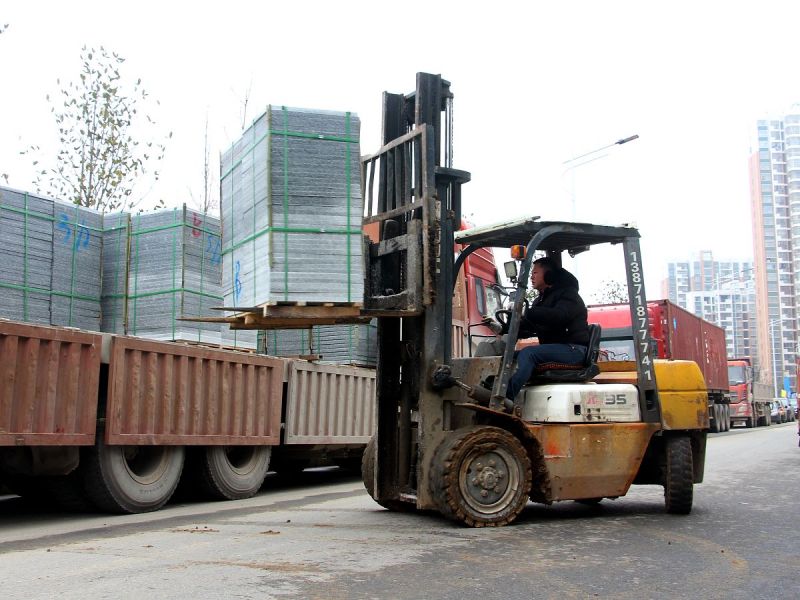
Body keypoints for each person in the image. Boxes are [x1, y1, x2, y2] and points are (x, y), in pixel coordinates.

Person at [485, 256, 590, 401]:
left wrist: (525, 311)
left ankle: (506, 396)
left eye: (534, 273)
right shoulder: (541, 300)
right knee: (508, 356)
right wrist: (502, 329)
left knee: (529, 354)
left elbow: (558, 316)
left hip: (573, 350)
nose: (531, 277)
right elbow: (528, 327)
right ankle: (489, 388)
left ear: (548, 275)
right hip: (557, 348)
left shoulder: (569, 296)